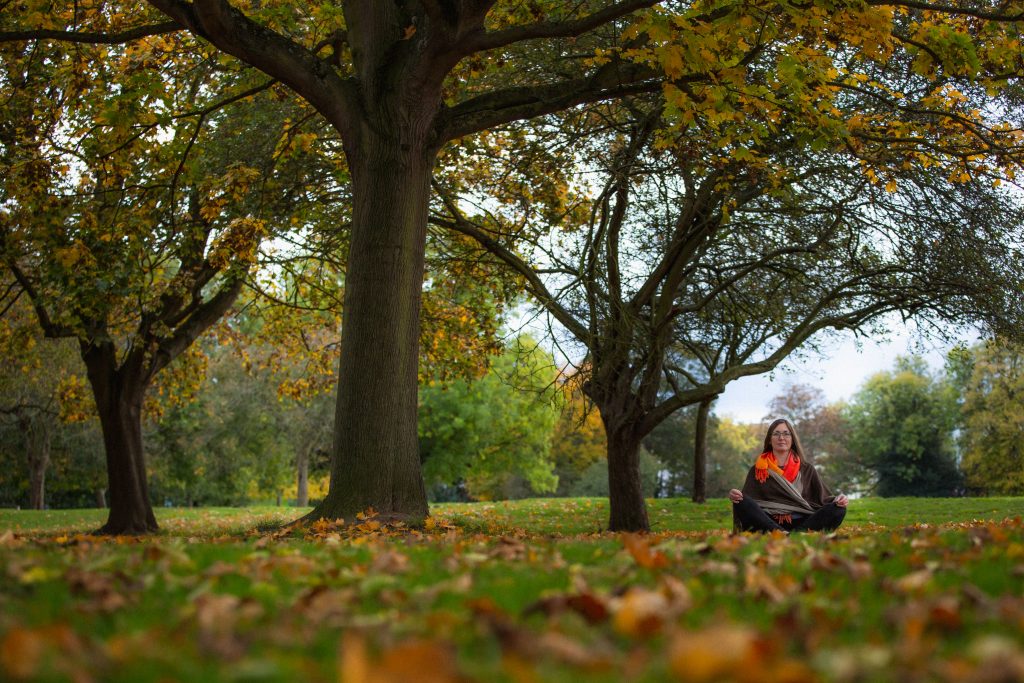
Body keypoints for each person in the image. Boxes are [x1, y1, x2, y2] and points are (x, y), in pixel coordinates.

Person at [729, 418, 848, 533]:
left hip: (803, 522)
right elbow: (749, 502)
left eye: (786, 434)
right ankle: (787, 533)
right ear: (770, 440)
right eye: (776, 434)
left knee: (838, 509)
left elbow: (824, 499)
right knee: (741, 501)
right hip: (767, 522)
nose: (781, 438)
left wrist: (839, 499)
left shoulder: (807, 469)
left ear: (792, 439)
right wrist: (736, 495)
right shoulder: (758, 470)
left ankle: (791, 533)